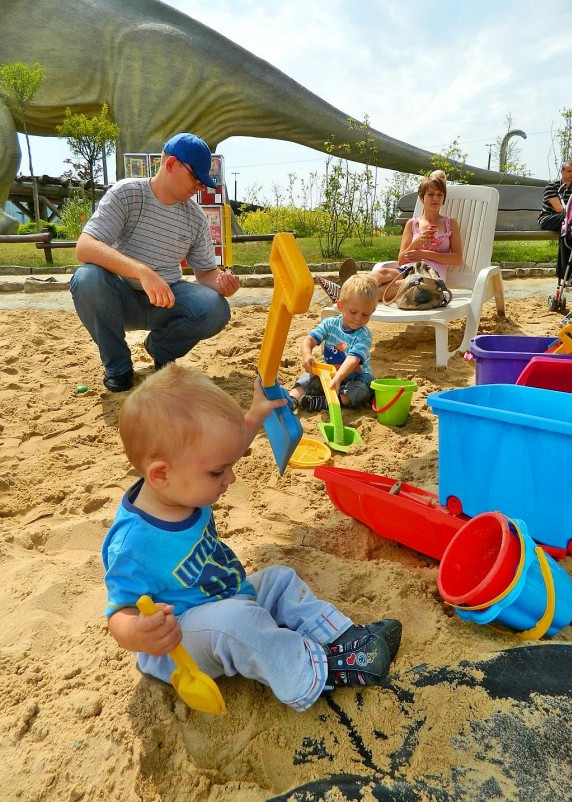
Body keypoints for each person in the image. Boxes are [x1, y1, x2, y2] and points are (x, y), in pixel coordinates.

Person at [103, 364, 402, 711]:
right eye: (217, 472)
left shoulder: (181, 486)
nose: (229, 478)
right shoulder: (134, 543)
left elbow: (223, 446)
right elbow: (119, 612)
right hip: (181, 644)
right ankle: (319, 673)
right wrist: (138, 633)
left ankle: (341, 637)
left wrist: (256, 415)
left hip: (228, 596)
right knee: (238, 622)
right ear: (161, 475)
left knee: (279, 579)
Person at [71, 133, 241, 393]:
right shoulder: (127, 193)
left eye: (203, 181)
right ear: (171, 164)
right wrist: (142, 271)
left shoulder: (195, 216)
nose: (199, 186)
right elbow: (85, 246)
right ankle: (118, 367)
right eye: (195, 178)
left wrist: (221, 283)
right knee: (86, 279)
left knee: (216, 308)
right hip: (120, 298)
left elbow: (205, 272)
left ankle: (160, 350)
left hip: (167, 298)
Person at [289, 273, 379, 413]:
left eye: (365, 314)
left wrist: (338, 378)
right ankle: (291, 401)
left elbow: (352, 359)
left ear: (372, 311)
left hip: (356, 377)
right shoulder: (330, 324)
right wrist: (307, 354)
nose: (358, 318)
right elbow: (309, 340)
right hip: (329, 373)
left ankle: (323, 402)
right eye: (353, 312)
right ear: (341, 305)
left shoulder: (364, 335)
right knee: (308, 378)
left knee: (365, 387)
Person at [370, 170, 462, 302]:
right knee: (382, 273)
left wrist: (424, 254)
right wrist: (418, 241)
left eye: (439, 195)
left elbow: (457, 259)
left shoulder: (450, 223)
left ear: (443, 198)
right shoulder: (412, 224)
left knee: (394, 287)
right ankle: (350, 288)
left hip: (429, 277)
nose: (435, 198)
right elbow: (401, 260)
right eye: (430, 194)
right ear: (421, 198)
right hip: (408, 269)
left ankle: (350, 295)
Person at [538, 161, 572, 282]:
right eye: (569, 171)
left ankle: (570, 272)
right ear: (562, 171)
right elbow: (558, 208)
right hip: (548, 219)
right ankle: (565, 273)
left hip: (567, 222)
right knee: (567, 220)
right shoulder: (552, 186)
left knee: (566, 230)